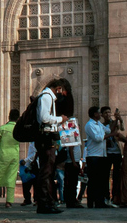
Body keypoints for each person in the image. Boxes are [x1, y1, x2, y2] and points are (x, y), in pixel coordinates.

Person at [34, 78, 71, 214]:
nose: (63, 95)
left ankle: (48, 202)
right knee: (46, 171)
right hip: (45, 138)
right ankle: (43, 204)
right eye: (63, 91)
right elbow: (44, 118)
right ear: (59, 88)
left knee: (48, 171)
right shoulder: (46, 97)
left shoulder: (47, 97)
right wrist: (61, 119)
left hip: (47, 137)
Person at [84, 106, 111, 208]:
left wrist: (114, 120)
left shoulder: (99, 124)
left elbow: (108, 130)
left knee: (100, 180)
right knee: (93, 181)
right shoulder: (89, 125)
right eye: (99, 113)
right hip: (93, 156)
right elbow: (98, 138)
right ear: (95, 114)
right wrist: (110, 134)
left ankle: (100, 201)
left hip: (101, 155)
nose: (101, 114)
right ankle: (91, 202)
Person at [101, 107, 123, 207]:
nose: (108, 114)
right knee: (105, 175)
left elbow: (122, 129)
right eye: (105, 113)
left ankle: (115, 197)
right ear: (102, 115)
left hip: (117, 151)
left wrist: (120, 120)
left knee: (117, 176)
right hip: (107, 152)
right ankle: (106, 196)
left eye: (109, 112)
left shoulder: (115, 122)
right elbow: (110, 131)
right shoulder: (101, 125)